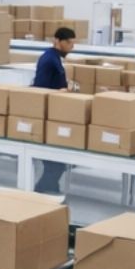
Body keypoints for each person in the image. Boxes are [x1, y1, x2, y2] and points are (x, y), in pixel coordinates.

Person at [31, 26, 79, 194]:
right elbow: (40, 88)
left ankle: (49, 189)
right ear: (57, 41)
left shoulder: (54, 58)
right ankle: (43, 191)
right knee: (56, 163)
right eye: (68, 42)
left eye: (73, 43)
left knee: (57, 163)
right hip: (46, 115)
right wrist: (64, 90)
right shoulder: (49, 59)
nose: (71, 46)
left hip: (53, 112)